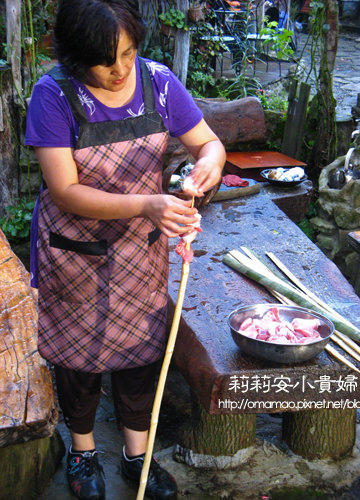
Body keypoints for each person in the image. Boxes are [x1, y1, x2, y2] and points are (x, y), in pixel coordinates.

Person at [25, 1, 226, 499]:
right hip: (74, 252)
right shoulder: (53, 95)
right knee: (78, 360)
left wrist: (209, 164)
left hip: (141, 251)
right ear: (74, 59)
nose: (119, 70)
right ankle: (84, 451)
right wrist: (147, 205)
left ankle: (138, 459)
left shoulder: (157, 82)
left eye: (128, 53)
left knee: (140, 356)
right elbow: (65, 189)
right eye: (104, 61)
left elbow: (209, 143)